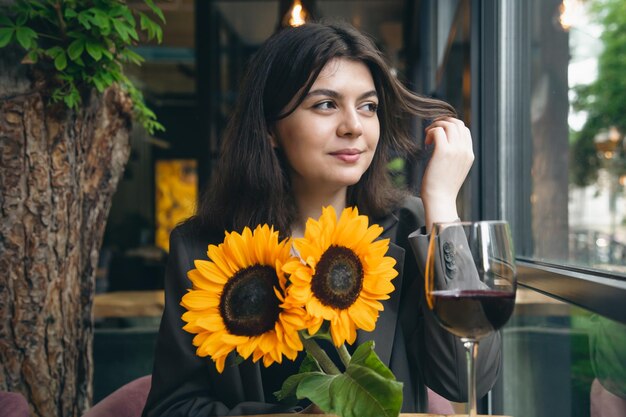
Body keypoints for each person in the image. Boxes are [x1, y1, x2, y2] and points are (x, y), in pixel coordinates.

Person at [142, 20, 501, 416]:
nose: (353, 127)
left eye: (368, 107)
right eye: (325, 104)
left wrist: (443, 209)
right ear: (269, 129)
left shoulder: (408, 227)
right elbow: (171, 409)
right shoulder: (202, 247)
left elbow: (468, 374)